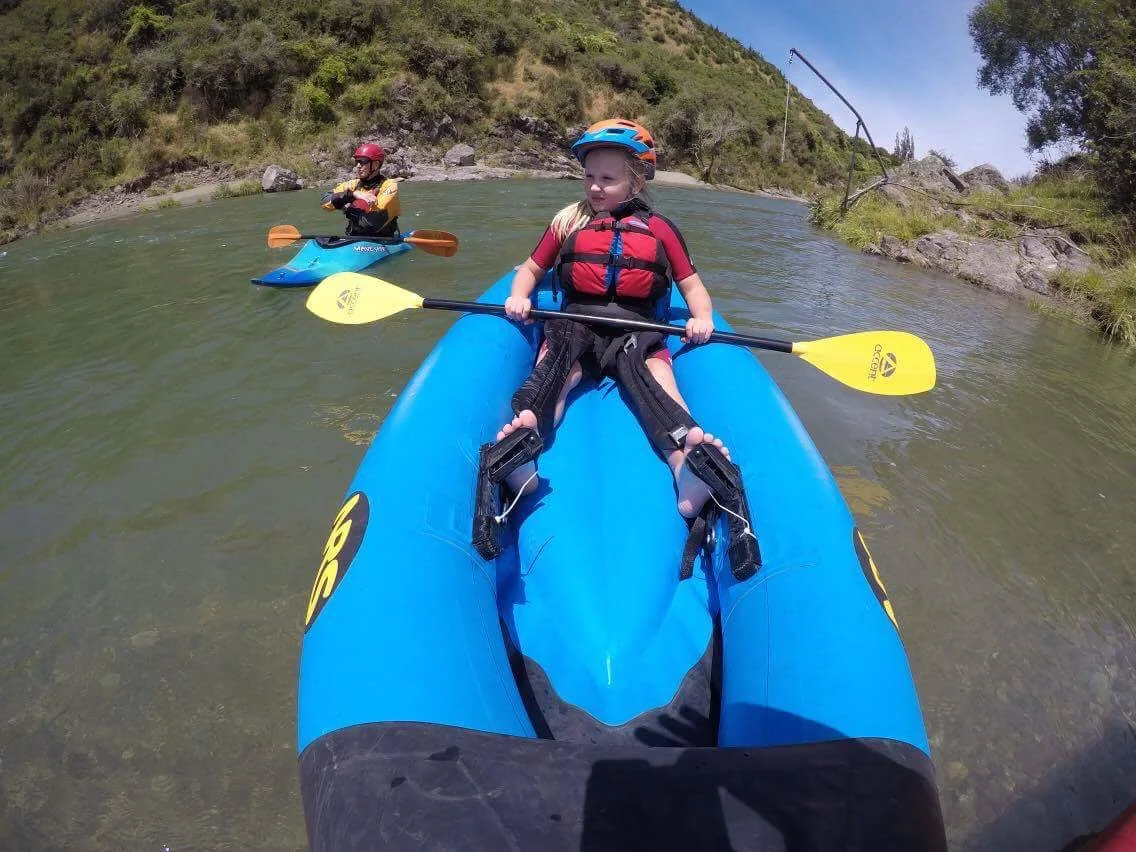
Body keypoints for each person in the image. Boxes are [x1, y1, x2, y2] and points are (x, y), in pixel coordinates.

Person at [473, 119, 759, 580]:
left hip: (638, 330)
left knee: (656, 383)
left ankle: (686, 467)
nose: (595, 187)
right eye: (589, 176)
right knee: (554, 368)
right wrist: (520, 294)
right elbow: (529, 269)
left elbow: (693, 288)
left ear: (636, 180)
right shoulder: (568, 222)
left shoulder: (661, 230)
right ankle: (525, 448)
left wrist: (702, 319)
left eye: (607, 179)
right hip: (577, 324)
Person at [321, 143, 401, 238]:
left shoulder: (389, 185)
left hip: (382, 239)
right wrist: (351, 195)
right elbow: (325, 202)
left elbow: (372, 223)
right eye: (357, 162)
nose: (358, 166)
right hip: (354, 238)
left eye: (363, 162)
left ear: (375, 165)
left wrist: (349, 206)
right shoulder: (352, 185)